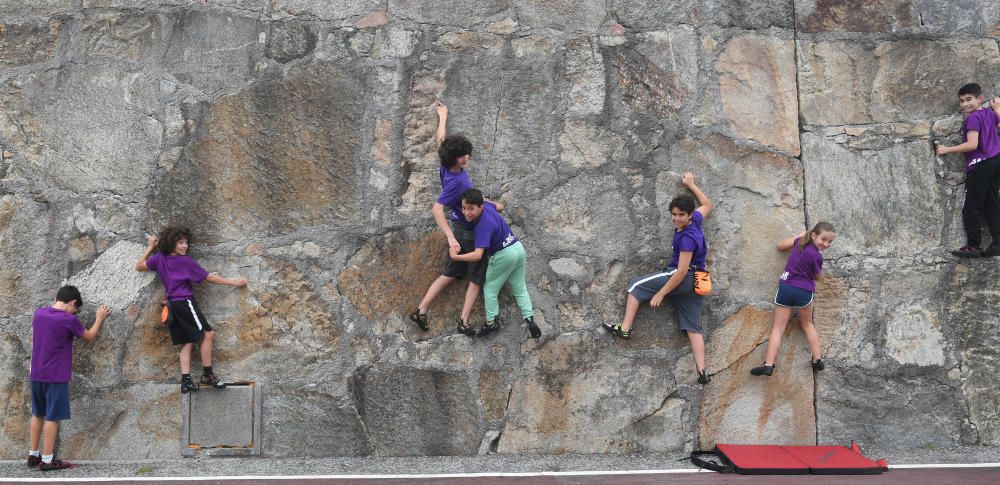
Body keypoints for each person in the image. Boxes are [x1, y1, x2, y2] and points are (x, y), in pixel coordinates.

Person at [603, 172, 712, 384]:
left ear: (689, 215)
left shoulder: (687, 238)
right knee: (693, 326)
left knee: (635, 285)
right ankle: (702, 371)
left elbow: (680, 272)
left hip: (683, 277)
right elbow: (707, 204)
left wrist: (661, 293)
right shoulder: (696, 221)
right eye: (674, 214)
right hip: (699, 281)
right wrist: (691, 185)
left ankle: (625, 329)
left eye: (681, 215)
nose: (676, 218)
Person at [410, 100, 504, 334]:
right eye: (462, 156)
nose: (467, 158)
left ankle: (421, 311)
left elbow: (441, 140)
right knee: (476, 276)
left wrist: (443, 116)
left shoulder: (447, 164)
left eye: (466, 154)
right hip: (466, 230)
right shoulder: (457, 181)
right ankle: (462, 322)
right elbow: (436, 208)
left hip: (460, 222)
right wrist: (451, 238)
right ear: (454, 158)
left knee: (451, 273)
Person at [136, 226, 247, 393]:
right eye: (181, 242)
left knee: (187, 342)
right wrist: (234, 282)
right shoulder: (185, 261)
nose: (185, 246)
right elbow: (209, 277)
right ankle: (208, 375)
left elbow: (139, 266)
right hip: (185, 303)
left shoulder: (159, 258)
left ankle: (186, 381)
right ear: (171, 242)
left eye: (186, 243)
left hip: (172, 305)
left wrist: (151, 247)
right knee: (208, 334)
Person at [27, 286, 110, 471]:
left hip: (36, 373)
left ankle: (33, 454)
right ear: (73, 303)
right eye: (76, 308)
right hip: (55, 376)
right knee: (52, 417)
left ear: (57, 297)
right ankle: (47, 460)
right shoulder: (68, 320)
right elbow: (89, 335)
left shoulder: (39, 314)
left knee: (37, 413)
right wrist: (99, 318)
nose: (75, 311)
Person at [449, 188, 540, 339]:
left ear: (480, 207)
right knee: (520, 288)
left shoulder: (482, 226)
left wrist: (457, 257)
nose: (466, 213)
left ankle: (491, 322)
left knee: (490, 289)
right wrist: (485, 199)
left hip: (504, 254)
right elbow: (500, 206)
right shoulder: (488, 207)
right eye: (464, 208)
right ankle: (529, 318)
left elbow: (478, 255)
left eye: (471, 209)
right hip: (517, 248)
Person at [750, 223, 836, 377]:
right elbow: (816, 276)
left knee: (778, 328)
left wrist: (800, 236)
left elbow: (780, 245)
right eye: (824, 239)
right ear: (814, 235)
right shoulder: (817, 256)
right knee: (807, 324)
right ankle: (817, 359)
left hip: (786, 287)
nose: (826, 244)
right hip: (804, 291)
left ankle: (769, 365)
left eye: (830, 242)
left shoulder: (800, 242)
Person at [936, 83, 1000, 257]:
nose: (965, 104)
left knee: (971, 205)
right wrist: (998, 108)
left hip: (980, 164)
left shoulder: (972, 118)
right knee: (991, 202)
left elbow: (972, 144)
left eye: (969, 99)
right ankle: (997, 243)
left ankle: (973, 246)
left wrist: (946, 150)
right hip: (996, 161)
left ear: (979, 99)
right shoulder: (989, 113)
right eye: (962, 101)